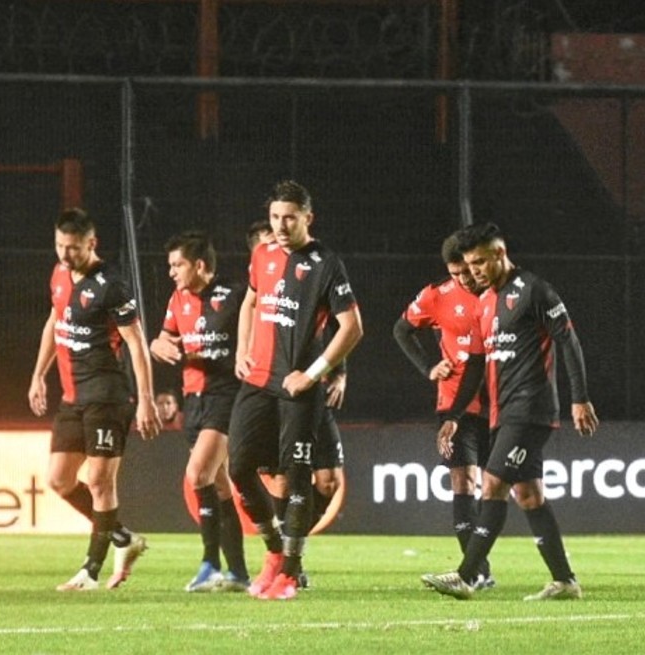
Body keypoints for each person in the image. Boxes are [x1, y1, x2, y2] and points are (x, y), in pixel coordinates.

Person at [421, 222, 599, 601]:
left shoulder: (535, 290)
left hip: (531, 410)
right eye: (469, 265)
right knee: (530, 495)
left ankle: (467, 576)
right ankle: (565, 581)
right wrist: (453, 414)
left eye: (480, 262)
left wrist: (579, 398)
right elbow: (474, 364)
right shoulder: (485, 302)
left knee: (492, 483)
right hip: (502, 414)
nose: (474, 271)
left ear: (500, 254)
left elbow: (569, 340)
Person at [227, 180, 364, 600]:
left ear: (308, 217)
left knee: (296, 477)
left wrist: (315, 372)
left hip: (298, 389)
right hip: (258, 381)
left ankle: (290, 573)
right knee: (238, 467)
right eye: (275, 217)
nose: (281, 226)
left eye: (290, 217)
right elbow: (251, 301)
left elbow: (353, 327)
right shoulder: (262, 254)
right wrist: (242, 349)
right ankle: (274, 553)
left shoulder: (325, 263)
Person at [27, 208, 159, 591]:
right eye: (60, 246)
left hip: (106, 396)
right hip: (72, 397)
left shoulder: (111, 285)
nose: (66, 255)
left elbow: (136, 344)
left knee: (100, 481)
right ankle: (122, 536)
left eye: (73, 248)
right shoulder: (58, 275)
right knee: (59, 480)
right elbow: (56, 323)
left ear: (91, 243)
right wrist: (38, 374)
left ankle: (91, 570)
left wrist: (147, 400)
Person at [148, 231, 250, 592]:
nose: (172, 272)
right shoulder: (178, 299)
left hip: (226, 395)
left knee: (198, 473)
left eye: (178, 265)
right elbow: (164, 337)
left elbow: (256, 335)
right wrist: (157, 344)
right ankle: (238, 572)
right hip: (193, 399)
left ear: (200, 265)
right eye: (170, 265)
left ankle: (209, 564)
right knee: (219, 485)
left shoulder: (235, 296)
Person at [393, 233, 494, 588]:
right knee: (464, 480)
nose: (464, 279)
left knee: (501, 486)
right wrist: (428, 367)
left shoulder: (497, 292)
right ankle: (477, 572)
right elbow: (401, 330)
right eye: (456, 273)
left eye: (467, 270)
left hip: (499, 402)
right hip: (455, 403)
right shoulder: (436, 296)